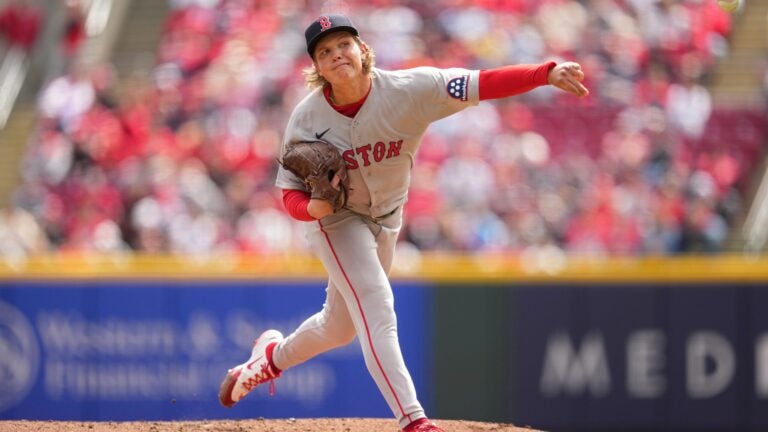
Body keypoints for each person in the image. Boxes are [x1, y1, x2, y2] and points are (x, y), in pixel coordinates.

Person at [218, 13, 589, 432]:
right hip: (338, 221)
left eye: (344, 44)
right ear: (317, 69)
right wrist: (312, 210)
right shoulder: (305, 119)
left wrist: (545, 73)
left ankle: (269, 359)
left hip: (388, 219)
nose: (337, 54)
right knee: (377, 304)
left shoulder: (411, 89)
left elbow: (480, 82)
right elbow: (288, 192)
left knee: (339, 327)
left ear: (363, 49)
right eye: (325, 52)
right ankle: (413, 420)